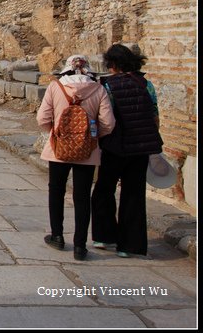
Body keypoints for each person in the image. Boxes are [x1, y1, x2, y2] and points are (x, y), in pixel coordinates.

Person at [37, 55, 115, 261]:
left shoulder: (56, 87)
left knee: (56, 190)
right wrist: (90, 138)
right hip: (87, 151)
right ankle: (80, 246)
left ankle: (57, 236)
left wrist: (55, 133)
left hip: (58, 149)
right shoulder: (98, 89)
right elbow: (108, 123)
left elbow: (42, 118)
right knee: (82, 196)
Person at [91, 44, 163, 258]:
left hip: (115, 146)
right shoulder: (146, 84)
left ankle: (104, 236)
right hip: (140, 148)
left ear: (111, 64)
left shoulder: (107, 86)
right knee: (133, 194)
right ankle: (130, 245)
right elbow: (154, 116)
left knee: (104, 189)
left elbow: (106, 119)